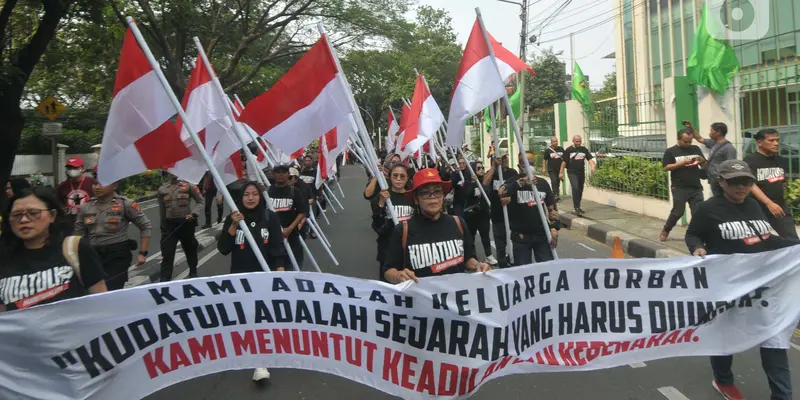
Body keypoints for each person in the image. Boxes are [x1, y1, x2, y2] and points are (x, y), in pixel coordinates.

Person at [685, 159, 799, 400]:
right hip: (728, 285)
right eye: (735, 182)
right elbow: (693, 234)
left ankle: (782, 396)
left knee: (773, 338)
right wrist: (697, 248)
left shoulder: (754, 206)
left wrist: (795, 246)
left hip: (763, 286)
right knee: (725, 335)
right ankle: (723, 380)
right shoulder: (707, 209)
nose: (742, 187)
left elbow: (766, 239)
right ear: (722, 182)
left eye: (747, 182)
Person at [217, 181, 287, 382]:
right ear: (240, 198)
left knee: (261, 318)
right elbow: (223, 248)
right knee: (246, 318)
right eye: (246, 194)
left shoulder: (270, 217)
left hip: (264, 276)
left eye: (254, 194)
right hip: (240, 276)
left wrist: (279, 272)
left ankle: (261, 362)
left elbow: (277, 247)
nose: (250, 198)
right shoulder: (234, 219)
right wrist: (233, 225)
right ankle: (249, 351)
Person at [0, 187, 107, 311]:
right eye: (16, 215)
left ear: (52, 215)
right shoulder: (4, 257)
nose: (24, 220)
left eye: (34, 213)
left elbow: (101, 302)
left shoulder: (75, 248)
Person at [382, 168, 491, 284]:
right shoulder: (403, 230)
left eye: (438, 192)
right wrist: (398, 275)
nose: (433, 197)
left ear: (443, 196)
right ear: (416, 199)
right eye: (425, 193)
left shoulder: (458, 223)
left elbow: (468, 259)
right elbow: (388, 270)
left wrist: (479, 265)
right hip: (421, 299)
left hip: (455, 298)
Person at [74, 175, 152, 290]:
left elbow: (145, 226)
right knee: (94, 291)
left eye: (102, 183)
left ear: (115, 185)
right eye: (95, 183)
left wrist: (142, 253)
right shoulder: (86, 207)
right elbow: (78, 235)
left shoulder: (125, 204)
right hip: (93, 255)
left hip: (117, 254)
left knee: (111, 289)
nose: (97, 187)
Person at [501, 160, 560, 265]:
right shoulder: (513, 181)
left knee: (547, 268)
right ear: (519, 166)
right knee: (523, 271)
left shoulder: (543, 183)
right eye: (525, 163)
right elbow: (501, 192)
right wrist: (521, 182)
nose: (529, 166)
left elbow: (552, 208)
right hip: (521, 236)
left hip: (542, 234)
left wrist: (554, 228)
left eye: (532, 163)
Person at [744, 128, 798, 239]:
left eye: (777, 140)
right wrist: (769, 203)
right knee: (757, 241)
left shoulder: (780, 159)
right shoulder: (750, 160)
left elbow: (783, 180)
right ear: (759, 142)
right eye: (771, 140)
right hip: (758, 207)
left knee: (792, 240)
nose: (776, 143)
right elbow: (751, 184)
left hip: (779, 205)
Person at [660, 129, 707, 241]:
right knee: (678, 211)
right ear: (679, 139)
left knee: (698, 213)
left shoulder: (695, 149)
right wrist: (682, 163)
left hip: (695, 186)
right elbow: (666, 167)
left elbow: (705, 164)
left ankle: (695, 235)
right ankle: (666, 229)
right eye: (685, 142)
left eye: (690, 142)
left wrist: (701, 161)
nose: (687, 144)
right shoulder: (671, 151)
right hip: (679, 187)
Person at [158, 172, 204, 281]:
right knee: (167, 253)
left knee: (190, 249)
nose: (173, 173)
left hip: (186, 223)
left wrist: (193, 214)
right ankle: (165, 280)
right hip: (169, 225)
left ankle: (193, 272)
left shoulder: (189, 186)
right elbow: (162, 210)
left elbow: (200, 201)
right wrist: (162, 226)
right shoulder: (162, 189)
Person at [372, 163, 414, 281]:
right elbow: (378, 227)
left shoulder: (413, 197)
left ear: (407, 178)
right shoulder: (383, 196)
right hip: (387, 250)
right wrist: (381, 203)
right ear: (389, 177)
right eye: (395, 175)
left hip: (409, 251)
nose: (398, 179)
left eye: (402, 176)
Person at [268, 164, 308, 269]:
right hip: (272, 240)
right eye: (278, 172)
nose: (281, 175)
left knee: (293, 271)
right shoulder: (268, 192)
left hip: (292, 239)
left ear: (288, 174)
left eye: (284, 172)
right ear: (273, 175)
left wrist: (290, 228)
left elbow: (302, 212)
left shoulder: (294, 191)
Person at [483, 153, 518, 268]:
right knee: (500, 244)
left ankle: (515, 262)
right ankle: (503, 265)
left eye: (505, 159)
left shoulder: (513, 173)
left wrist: (510, 198)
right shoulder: (492, 173)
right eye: (501, 159)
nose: (504, 161)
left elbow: (518, 190)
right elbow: (485, 183)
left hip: (512, 214)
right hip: (497, 214)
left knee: (516, 242)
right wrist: (493, 167)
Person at [686, 120, 736, 197]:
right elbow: (699, 138)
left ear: (718, 132)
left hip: (721, 182)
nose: (709, 133)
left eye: (711, 131)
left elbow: (731, 167)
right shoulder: (713, 143)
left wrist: (724, 181)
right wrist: (690, 128)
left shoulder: (728, 148)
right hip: (713, 181)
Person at [463, 161, 494, 264]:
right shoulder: (468, 182)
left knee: (485, 235)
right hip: (471, 214)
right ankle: (473, 257)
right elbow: (467, 194)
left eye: (482, 168)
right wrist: (472, 183)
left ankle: (489, 255)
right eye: (478, 168)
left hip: (483, 213)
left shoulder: (485, 181)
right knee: (471, 236)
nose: (481, 170)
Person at [559, 135, 595, 216]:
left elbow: (589, 159)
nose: (578, 143)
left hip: (581, 172)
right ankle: (576, 207)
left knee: (580, 189)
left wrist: (592, 166)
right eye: (576, 141)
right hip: (572, 172)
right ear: (573, 141)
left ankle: (578, 206)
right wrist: (561, 172)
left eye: (579, 141)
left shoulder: (584, 149)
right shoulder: (568, 150)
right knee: (575, 188)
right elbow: (564, 162)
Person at [57, 157, 95, 223]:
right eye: (69, 168)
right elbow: (60, 204)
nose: (72, 170)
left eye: (75, 168)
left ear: (83, 169)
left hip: (89, 220)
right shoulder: (63, 186)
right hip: (70, 222)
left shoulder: (92, 182)